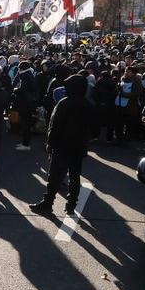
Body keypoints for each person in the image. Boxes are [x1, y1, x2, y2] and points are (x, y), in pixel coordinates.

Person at [31, 74, 97, 216]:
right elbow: (93, 128)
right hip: (79, 146)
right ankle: (71, 205)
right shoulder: (89, 105)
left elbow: (54, 126)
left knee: (55, 176)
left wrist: (49, 143)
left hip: (62, 145)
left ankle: (48, 203)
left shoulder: (64, 103)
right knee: (74, 176)